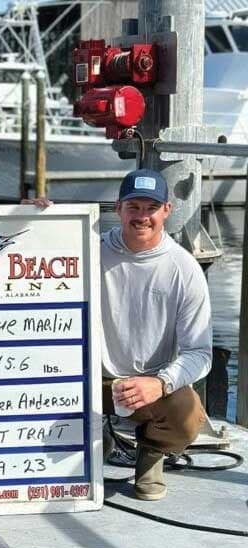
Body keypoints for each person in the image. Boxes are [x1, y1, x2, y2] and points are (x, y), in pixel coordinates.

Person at [101, 168, 210, 501]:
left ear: (167, 210)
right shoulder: (87, 249)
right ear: (118, 208)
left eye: (151, 207)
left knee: (188, 412)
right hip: (94, 380)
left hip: (149, 385)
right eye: (134, 207)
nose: (142, 216)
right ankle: (95, 440)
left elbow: (201, 353)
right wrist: (33, 214)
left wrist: (160, 382)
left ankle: (150, 456)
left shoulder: (184, 268)